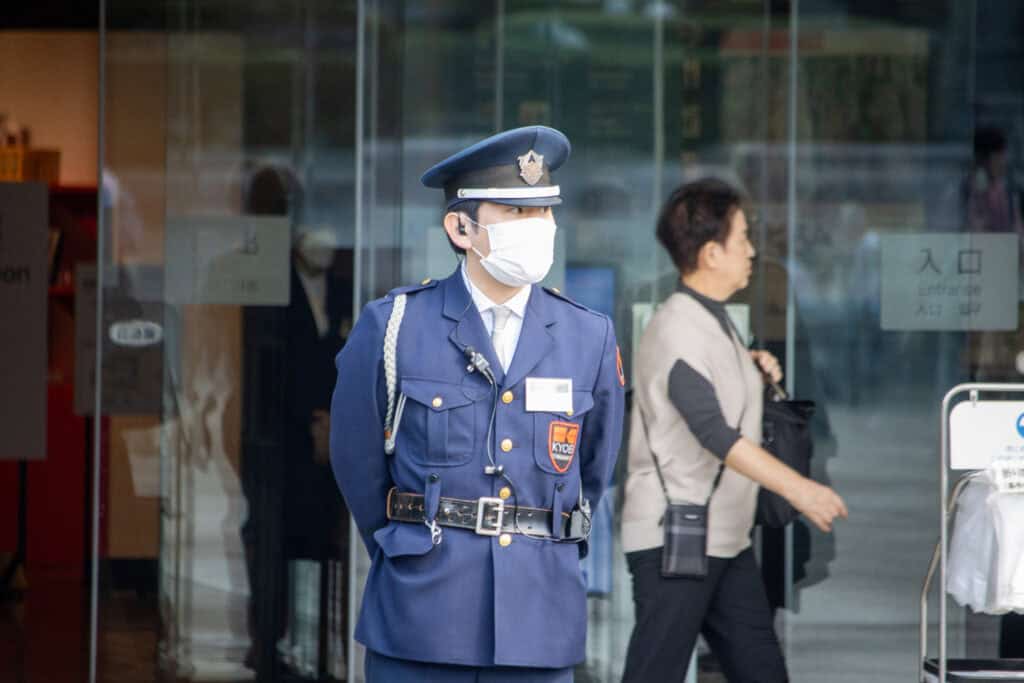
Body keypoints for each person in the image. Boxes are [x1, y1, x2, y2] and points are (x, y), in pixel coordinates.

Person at [329, 125, 625, 682]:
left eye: (543, 214)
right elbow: (357, 465)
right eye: (515, 214)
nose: (537, 229)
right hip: (423, 618)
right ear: (460, 227)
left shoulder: (589, 336)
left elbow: (594, 472)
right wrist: (412, 542)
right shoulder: (393, 327)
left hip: (539, 622)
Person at [620, 178, 848, 683]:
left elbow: (714, 399)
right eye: (742, 238)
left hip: (722, 537)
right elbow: (715, 434)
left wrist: (754, 371)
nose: (751, 251)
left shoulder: (714, 321)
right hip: (674, 538)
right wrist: (800, 489)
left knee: (761, 670)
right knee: (655, 672)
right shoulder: (677, 328)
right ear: (709, 254)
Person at [239, 166, 350, 676]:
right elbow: (265, 366)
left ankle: (329, 653)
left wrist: (336, 424)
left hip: (335, 442)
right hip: (278, 439)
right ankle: (269, 644)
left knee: (330, 544)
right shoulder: (263, 279)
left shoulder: (348, 281)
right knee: (271, 541)